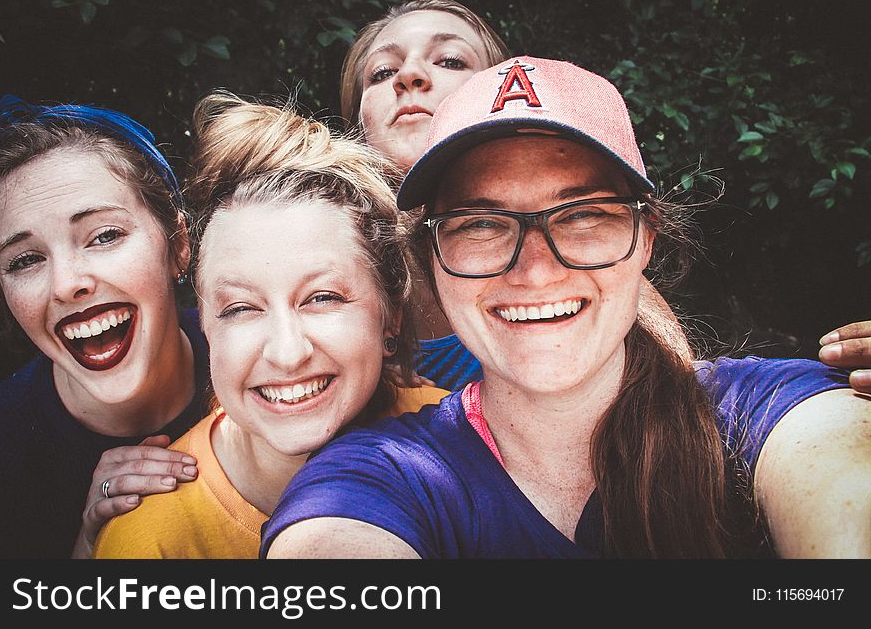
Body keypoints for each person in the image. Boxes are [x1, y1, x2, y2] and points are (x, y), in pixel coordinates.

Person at [261, 56, 869, 559]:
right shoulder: (383, 477)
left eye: (582, 215)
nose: (536, 268)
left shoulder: (762, 414)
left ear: (647, 236)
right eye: (481, 223)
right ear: (431, 257)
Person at [93, 92, 446, 558]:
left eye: (322, 298)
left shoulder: (464, 441)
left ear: (390, 317)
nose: (287, 352)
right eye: (240, 308)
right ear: (206, 329)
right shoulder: (149, 538)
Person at [341, 0, 692, 392]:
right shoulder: (328, 266)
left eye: (450, 60)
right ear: (357, 121)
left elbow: (683, 402)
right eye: (382, 72)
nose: (409, 76)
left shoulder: (603, 278)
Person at [0, 96, 206, 558]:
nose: (67, 285)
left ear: (179, 245)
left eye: (104, 235)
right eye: (25, 260)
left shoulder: (263, 357)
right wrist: (91, 550)